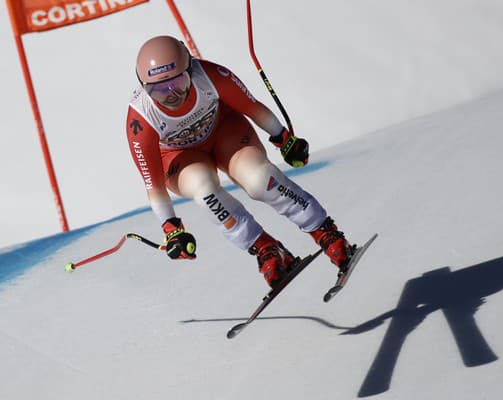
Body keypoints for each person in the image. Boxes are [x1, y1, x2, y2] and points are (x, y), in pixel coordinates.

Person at [126, 35, 353, 287]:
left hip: (224, 133)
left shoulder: (210, 76)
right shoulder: (141, 118)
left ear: (191, 69)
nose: (171, 96)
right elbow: (153, 184)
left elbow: (252, 107)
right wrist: (172, 229)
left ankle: (326, 232)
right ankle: (266, 249)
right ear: (144, 87)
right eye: (158, 90)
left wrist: (284, 139)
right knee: (204, 192)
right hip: (179, 156)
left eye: (178, 83)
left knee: (259, 179)